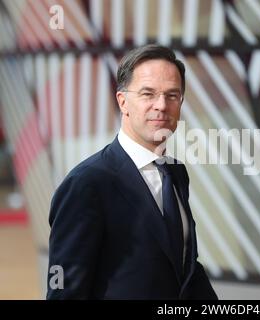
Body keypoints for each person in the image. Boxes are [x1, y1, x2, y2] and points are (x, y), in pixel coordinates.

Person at [46, 44, 218, 299]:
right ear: (123, 101)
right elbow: (64, 291)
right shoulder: (87, 184)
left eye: (172, 95)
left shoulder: (176, 174)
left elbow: (184, 269)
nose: (161, 105)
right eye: (148, 94)